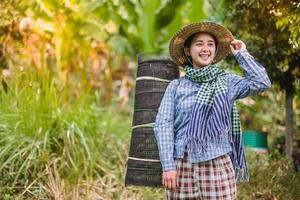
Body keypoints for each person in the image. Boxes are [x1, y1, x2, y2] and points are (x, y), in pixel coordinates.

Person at [153, 22, 271, 199]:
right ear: (187, 50)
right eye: (199, 44)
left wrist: (241, 54)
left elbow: (262, 82)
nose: (205, 48)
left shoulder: (227, 82)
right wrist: (168, 167)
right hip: (182, 165)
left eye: (210, 44)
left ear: (215, 51)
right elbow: (163, 126)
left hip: (217, 162)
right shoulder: (176, 87)